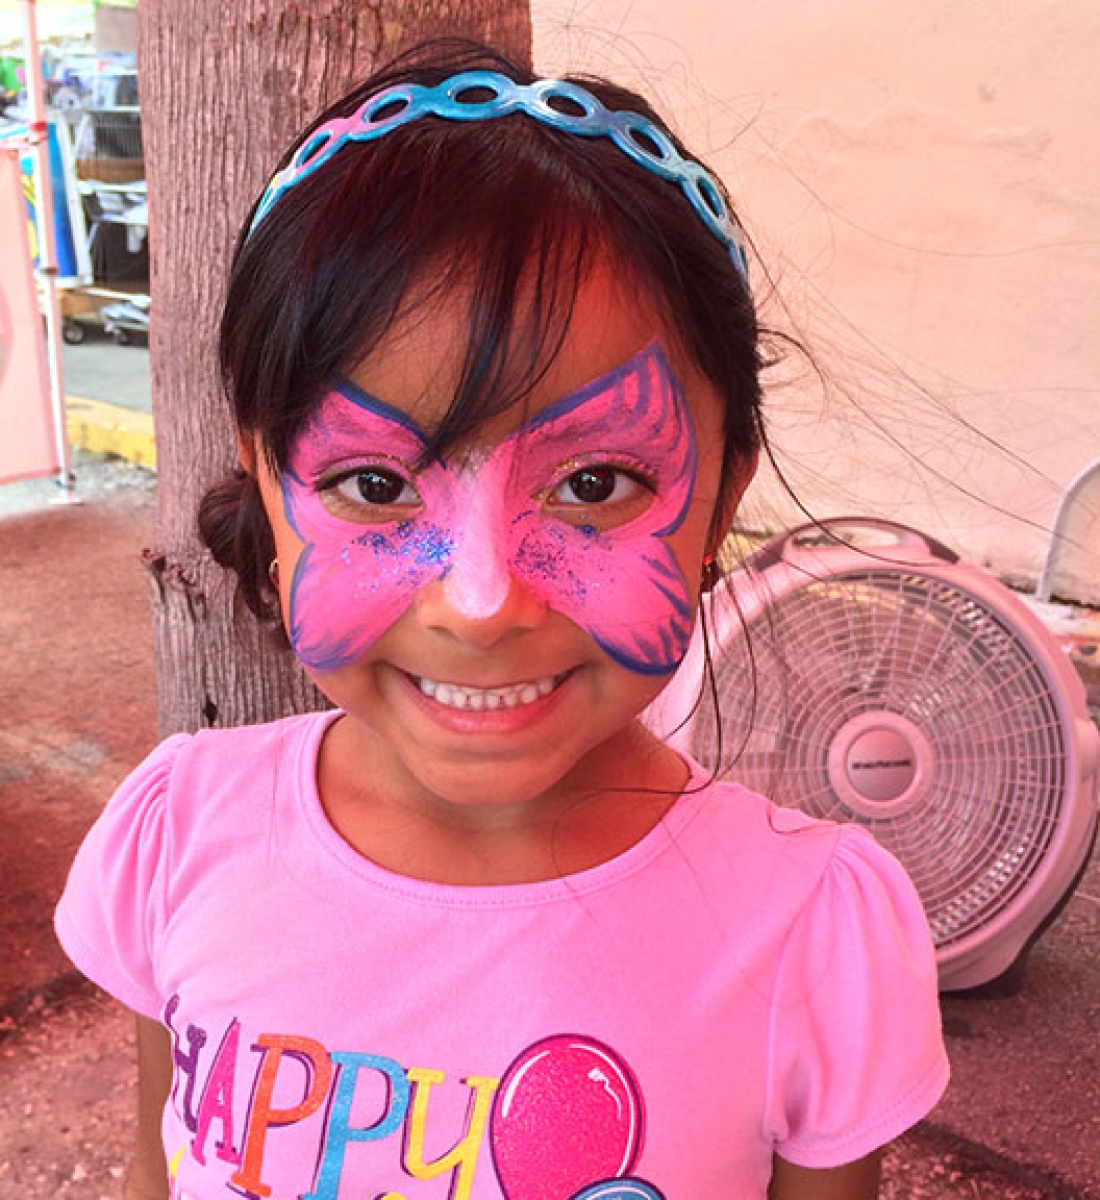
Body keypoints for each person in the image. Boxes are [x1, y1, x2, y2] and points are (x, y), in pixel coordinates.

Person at [56, 39, 949, 1200]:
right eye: (374, 484)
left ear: (724, 493)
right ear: (269, 481)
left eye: (593, 485)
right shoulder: (178, 839)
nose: (480, 605)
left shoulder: (811, 937)